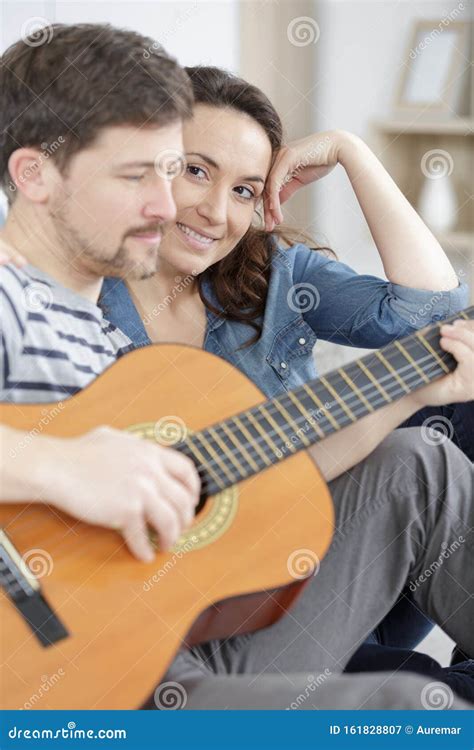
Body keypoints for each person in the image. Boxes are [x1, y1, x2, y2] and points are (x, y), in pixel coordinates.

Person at [0, 30, 472, 709]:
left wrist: (410, 393)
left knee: (423, 453)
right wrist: (63, 468)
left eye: (246, 190)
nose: (194, 209)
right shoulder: (29, 294)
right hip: (109, 666)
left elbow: (425, 314)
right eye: (158, 174)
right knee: (408, 704)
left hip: (208, 610)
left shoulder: (96, 334)